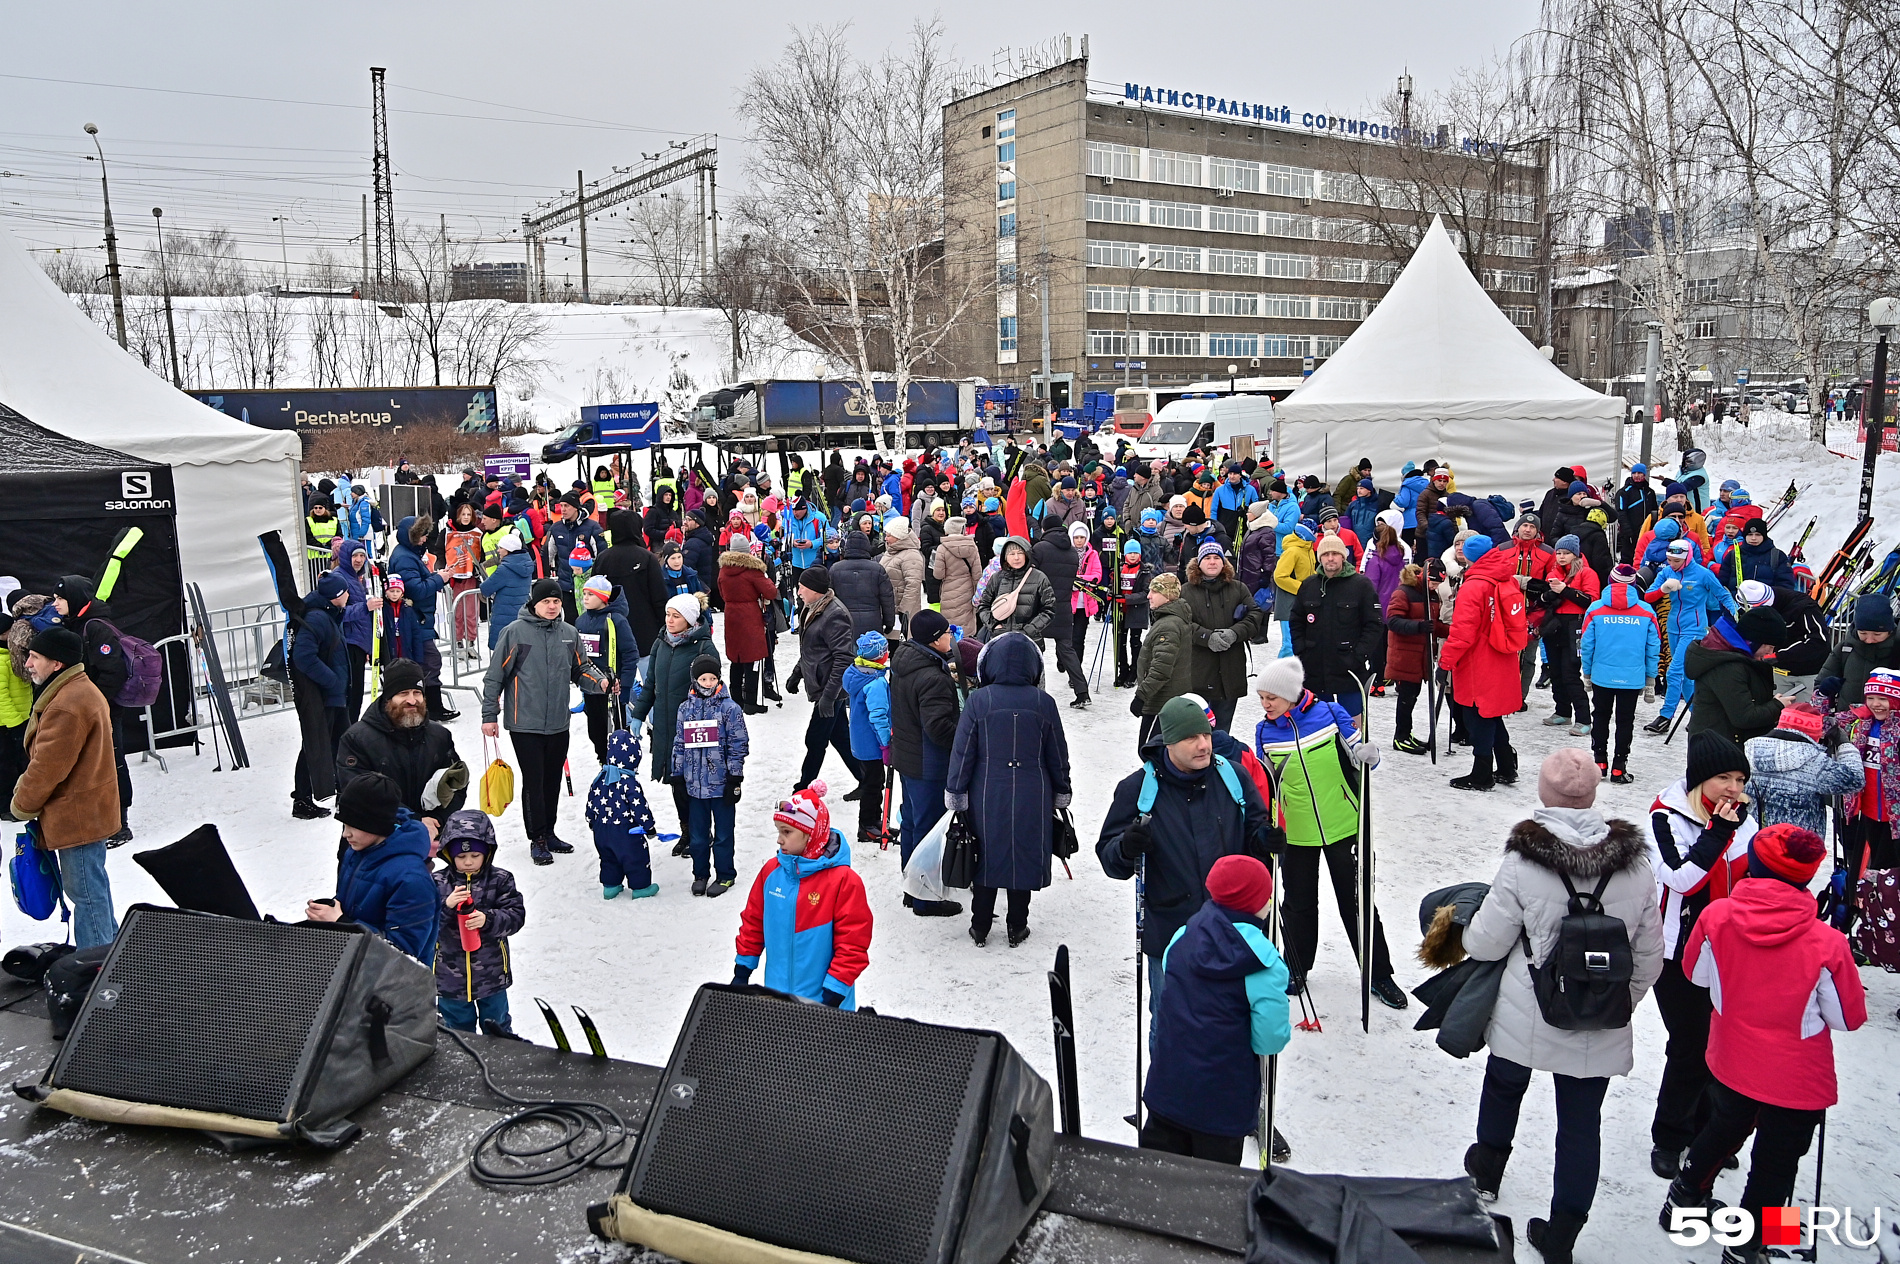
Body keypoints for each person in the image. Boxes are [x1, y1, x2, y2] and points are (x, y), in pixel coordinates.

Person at [1458, 749, 1665, 1264]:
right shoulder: (1637, 863)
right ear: (1593, 794)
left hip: (1527, 1007)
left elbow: (1484, 943)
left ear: (1543, 796)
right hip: (1601, 1015)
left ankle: (1486, 1171)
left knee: (1504, 1086)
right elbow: (1649, 954)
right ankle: (1563, 1235)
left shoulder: (1525, 860)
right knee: (1581, 1124)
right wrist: (1616, 1001)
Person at [1659, 825, 1866, 1262]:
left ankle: (1684, 1197)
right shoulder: (1827, 943)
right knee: (1779, 1161)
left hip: (1731, 1056)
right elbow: (1848, 1019)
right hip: (1796, 1078)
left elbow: (1697, 976)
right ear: (1808, 877)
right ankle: (1752, 1243)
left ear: (1752, 866)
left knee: (1723, 1127)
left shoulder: (1717, 917)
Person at [1097, 696, 1279, 1036]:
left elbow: (1254, 832)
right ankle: (1166, 1089)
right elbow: (1110, 860)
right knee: (1171, 1025)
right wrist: (1126, 847)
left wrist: (1264, 841)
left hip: (1233, 928)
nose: (1203, 745)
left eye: (1207, 735)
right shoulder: (1138, 790)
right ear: (1168, 742)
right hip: (1170, 931)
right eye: (1191, 738)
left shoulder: (1233, 777)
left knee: (1233, 1021)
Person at [1251, 655, 1402, 1007]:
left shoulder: (1330, 715)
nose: (1265, 704)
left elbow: (1364, 758)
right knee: (1298, 904)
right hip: (1297, 832)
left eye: (1270, 697)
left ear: (1290, 694)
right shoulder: (1265, 731)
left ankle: (1378, 972)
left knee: (1357, 901)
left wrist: (1368, 753)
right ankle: (1297, 967)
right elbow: (1266, 784)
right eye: (1261, 698)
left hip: (1343, 825)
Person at [1645, 730, 1759, 1180]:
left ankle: (1705, 1133)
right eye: (1724, 778)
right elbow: (1680, 879)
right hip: (1678, 952)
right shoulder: (1665, 816)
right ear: (1699, 780)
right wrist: (1719, 833)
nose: (1734, 788)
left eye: (1740, 778)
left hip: (1731, 952)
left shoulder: (1743, 815)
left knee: (1721, 1045)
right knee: (1691, 1046)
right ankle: (1670, 1137)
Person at [1140, 853, 1290, 1164]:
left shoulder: (1182, 937)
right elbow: (1270, 1039)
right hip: (1223, 1104)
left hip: (1167, 1089)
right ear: (1256, 903)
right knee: (1215, 1190)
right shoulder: (1263, 963)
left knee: (1157, 1185)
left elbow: (1171, 985)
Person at [946, 632, 1073, 947]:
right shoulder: (1044, 703)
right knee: (1025, 853)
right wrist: (1062, 789)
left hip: (987, 790)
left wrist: (956, 791)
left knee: (986, 853)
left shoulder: (979, 700)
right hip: (1033, 791)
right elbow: (1058, 753)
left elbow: (963, 752)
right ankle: (1018, 925)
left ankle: (980, 926)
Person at [481, 578, 613, 865]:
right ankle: (537, 837)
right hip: (524, 722)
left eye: (556, 601)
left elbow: (581, 669)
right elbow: (495, 677)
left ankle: (550, 831)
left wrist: (600, 683)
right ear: (534, 603)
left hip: (557, 721)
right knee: (535, 779)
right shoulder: (515, 633)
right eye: (546, 602)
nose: (552, 606)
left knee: (552, 778)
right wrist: (489, 715)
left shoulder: (568, 633)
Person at [9, 625, 119, 948]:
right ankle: (109, 956)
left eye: (34, 657)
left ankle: (97, 969)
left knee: (86, 895)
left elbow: (46, 768)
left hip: (79, 819)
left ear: (57, 663)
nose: (28, 664)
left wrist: (20, 804)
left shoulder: (67, 704)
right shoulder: (74, 690)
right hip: (85, 814)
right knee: (93, 892)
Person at [732, 780, 872, 1009]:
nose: (779, 839)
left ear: (811, 834)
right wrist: (743, 968)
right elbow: (754, 921)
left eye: (787, 832)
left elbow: (853, 941)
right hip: (778, 999)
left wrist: (835, 990)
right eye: (778, 831)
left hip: (826, 1001)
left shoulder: (843, 881)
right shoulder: (771, 872)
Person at [304, 772, 439, 963]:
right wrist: (330, 911)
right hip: (358, 972)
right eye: (344, 825)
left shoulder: (411, 879)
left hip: (393, 989)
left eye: (353, 826)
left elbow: (403, 956)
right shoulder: (359, 851)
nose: (345, 834)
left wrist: (342, 923)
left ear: (376, 824)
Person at [335, 657, 467, 842]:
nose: (412, 700)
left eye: (417, 693)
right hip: (373, 843)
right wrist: (415, 821)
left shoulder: (439, 737)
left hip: (425, 839)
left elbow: (456, 784)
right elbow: (361, 795)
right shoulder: (357, 739)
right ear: (388, 698)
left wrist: (437, 821)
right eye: (403, 693)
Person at [886, 610, 965, 918]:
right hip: (929, 763)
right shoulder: (932, 676)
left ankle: (911, 885)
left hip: (907, 757)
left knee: (911, 822)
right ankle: (925, 898)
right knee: (929, 830)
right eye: (947, 633)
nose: (952, 638)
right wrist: (966, 735)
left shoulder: (905, 659)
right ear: (934, 640)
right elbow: (939, 728)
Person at [629, 593, 719, 854]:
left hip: (694, 729)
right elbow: (651, 685)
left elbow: (713, 693)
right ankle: (687, 831)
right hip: (666, 726)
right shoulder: (661, 643)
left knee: (694, 783)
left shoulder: (703, 648)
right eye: (668, 614)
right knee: (676, 781)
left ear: (689, 620)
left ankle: (702, 831)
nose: (669, 620)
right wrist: (638, 715)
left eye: (676, 616)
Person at [1440, 536, 1528, 791]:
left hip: (1478, 659)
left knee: (1477, 715)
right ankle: (1506, 766)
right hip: (1502, 654)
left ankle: (1482, 773)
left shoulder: (1474, 584)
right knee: (1491, 712)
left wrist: (1445, 661)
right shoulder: (1504, 576)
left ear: (1467, 556)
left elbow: (1463, 631)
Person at [51, 575, 133, 843]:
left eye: (60, 598)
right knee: (90, 765)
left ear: (74, 599)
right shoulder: (72, 624)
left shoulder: (96, 628)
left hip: (103, 709)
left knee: (112, 761)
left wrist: (95, 703)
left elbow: (113, 671)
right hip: (83, 710)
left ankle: (120, 822)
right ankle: (98, 818)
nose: (55, 604)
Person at [432, 810, 526, 1036]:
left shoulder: (500, 880)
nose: (468, 862)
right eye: (461, 857)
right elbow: (425, 925)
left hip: (491, 974)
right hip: (449, 977)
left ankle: (500, 1064)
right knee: (457, 1029)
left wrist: (488, 919)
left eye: (475, 855)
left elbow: (515, 916)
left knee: (497, 1025)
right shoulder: (437, 882)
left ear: (487, 852)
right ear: (448, 854)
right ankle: (462, 1065)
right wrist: (446, 907)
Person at [672, 653, 749, 897]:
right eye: (703, 678)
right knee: (698, 835)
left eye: (712, 678)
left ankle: (725, 875)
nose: (707, 683)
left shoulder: (730, 709)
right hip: (695, 786)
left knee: (724, 834)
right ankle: (700, 873)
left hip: (721, 784)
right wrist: (678, 774)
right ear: (695, 680)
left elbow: (739, 744)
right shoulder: (685, 709)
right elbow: (680, 743)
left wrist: (735, 778)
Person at [1643, 538, 1738, 734]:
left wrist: (1735, 614)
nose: (1672, 564)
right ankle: (1699, 716)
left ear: (1686, 558)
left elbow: (1723, 594)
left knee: (1674, 672)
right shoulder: (1666, 572)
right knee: (1687, 677)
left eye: (1676, 561)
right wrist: (1663, 589)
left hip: (1694, 628)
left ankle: (1665, 716)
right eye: (1669, 559)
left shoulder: (1703, 574)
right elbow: (1647, 596)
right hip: (1673, 627)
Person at [1579, 564, 1660, 784]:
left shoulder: (1595, 609)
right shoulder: (1646, 611)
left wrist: (1587, 672)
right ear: (1634, 584)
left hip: (1602, 675)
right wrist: (1651, 678)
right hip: (1632, 677)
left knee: (1601, 716)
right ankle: (1619, 767)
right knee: (1626, 721)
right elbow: (1653, 648)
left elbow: (1587, 645)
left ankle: (1599, 763)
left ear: (1610, 582)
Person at [1290, 534, 1382, 720]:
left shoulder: (1361, 585)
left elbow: (1374, 624)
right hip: (1315, 671)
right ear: (1320, 557)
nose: (1330, 558)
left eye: (1335, 554)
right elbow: (1296, 620)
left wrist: (1359, 655)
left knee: (1353, 728)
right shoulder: (1309, 585)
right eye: (1325, 554)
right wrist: (1301, 649)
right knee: (1319, 727)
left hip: (1349, 672)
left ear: (1343, 556)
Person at [789, 566, 862, 799]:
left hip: (830, 689)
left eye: (802, 587)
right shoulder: (812, 608)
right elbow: (813, 650)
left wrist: (829, 696)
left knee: (815, 738)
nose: (798, 592)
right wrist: (797, 673)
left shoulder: (834, 614)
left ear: (814, 590)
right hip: (824, 686)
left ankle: (804, 786)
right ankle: (867, 780)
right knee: (841, 737)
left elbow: (843, 658)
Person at [1184, 541, 1266, 732]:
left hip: (1230, 669)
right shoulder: (1186, 590)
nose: (1212, 562)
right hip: (1198, 670)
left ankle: (1220, 760)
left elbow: (1255, 616)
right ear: (1199, 563)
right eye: (1207, 558)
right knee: (1197, 729)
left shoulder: (1238, 588)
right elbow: (1182, 623)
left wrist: (1234, 633)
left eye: (1216, 558)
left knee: (1222, 729)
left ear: (1223, 563)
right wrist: (1206, 637)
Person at [1745, 703, 1863, 836]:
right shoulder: (1814, 761)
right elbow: (1855, 779)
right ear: (1815, 731)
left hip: (1754, 838)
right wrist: (1844, 744)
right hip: (1798, 844)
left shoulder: (1749, 751)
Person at [290, 573, 352, 820]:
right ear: (337, 596)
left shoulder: (329, 614)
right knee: (314, 746)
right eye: (346, 592)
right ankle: (302, 799)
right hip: (324, 697)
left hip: (334, 696)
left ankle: (342, 787)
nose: (349, 595)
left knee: (344, 743)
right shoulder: (317, 618)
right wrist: (332, 681)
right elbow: (304, 656)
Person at [1684, 607, 1791, 745]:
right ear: (1754, 641)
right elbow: (1744, 717)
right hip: (1719, 751)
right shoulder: (1728, 666)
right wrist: (1777, 706)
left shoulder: (1734, 659)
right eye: (1769, 646)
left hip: (1722, 743)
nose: (1770, 652)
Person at [388, 516, 455, 721]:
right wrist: (439, 579)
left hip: (418, 618)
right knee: (429, 661)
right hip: (415, 619)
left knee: (427, 662)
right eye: (422, 535)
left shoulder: (409, 554)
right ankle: (432, 706)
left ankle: (428, 705)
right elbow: (416, 590)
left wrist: (435, 576)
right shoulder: (405, 558)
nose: (426, 539)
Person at [1384, 562, 1449, 755]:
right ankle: (1401, 737)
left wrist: (1451, 630)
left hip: (1421, 655)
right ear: (1424, 577)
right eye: (1433, 582)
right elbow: (1393, 621)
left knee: (1412, 696)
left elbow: (1433, 625)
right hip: (1404, 655)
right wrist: (1419, 626)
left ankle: (1406, 733)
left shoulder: (1432, 595)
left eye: (1438, 584)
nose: (1435, 587)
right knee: (1406, 697)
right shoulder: (1403, 592)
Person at [574, 575, 639, 761]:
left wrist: (625, 685)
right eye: (584, 593)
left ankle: (621, 763)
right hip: (591, 686)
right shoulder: (581, 621)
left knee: (618, 731)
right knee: (595, 730)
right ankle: (602, 760)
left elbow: (630, 653)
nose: (585, 597)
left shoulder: (616, 620)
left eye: (590, 594)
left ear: (603, 597)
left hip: (614, 689)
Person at [716, 540, 777, 716]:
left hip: (731, 614)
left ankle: (735, 699)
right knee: (753, 658)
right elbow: (771, 592)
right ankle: (750, 702)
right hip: (750, 615)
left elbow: (721, 593)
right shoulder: (753, 571)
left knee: (736, 658)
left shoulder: (723, 571)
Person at [1815, 593, 1898, 707]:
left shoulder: (1896, 650)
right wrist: (1825, 688)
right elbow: (1818, 686)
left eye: (1877, 634)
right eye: (1863, 633)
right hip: (1845, 720)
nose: (1869, 640)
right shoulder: (1845, 649)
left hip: (1887, 722)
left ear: (1890, 631)